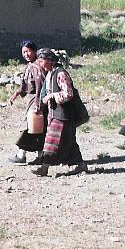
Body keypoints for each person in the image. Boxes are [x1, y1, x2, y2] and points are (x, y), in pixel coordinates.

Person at [32, 48, 87, 177]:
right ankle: (80, 165)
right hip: (55, 114)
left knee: (52, 141)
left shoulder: (61, 74)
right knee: (68, 142)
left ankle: (44, 168)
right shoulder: (50, 74)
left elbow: (68, 93)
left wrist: (52, 96)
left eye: (42, 61)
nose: (40, 64)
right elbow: (44, 93)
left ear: (50, 61)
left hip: (63, 115)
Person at [8, 40, 45, 165]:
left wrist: (38, 105)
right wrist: (16, 93)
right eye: (24, 52)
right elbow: (25, 85)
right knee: (35, 128)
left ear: (34, 51)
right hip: (31, 100)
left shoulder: (37, 67)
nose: (26, 54)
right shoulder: (29, 66)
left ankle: (24, 154)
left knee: (34, 127)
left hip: (37, 101)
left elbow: (40, 87)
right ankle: (34, 155)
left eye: (28, 51)